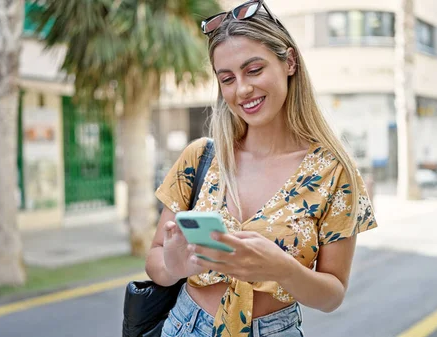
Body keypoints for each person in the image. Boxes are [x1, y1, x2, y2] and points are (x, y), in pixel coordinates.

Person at [145, 1, 378, 336]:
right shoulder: (200, 158)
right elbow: (155, 260)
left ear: (290, 62)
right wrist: (175, 265)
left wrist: (282, 268)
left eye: (253, 70)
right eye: (227, 79)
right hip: (185, 325)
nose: (242, 89)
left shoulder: (334, 172)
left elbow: (332, 294)